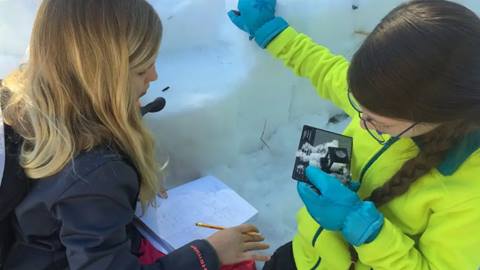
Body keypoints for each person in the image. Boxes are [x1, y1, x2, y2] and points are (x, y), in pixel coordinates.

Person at [0, 0, 270, 269]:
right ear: (100, 79)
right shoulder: (95, 174)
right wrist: (208, 253)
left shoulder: (24, 103)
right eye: (141, 69)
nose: (154, 75)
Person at [228, 0, 480, 269]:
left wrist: (365, 230)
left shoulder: (470, 195)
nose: (361, 123)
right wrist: (272, 32)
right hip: (303, 253)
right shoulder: (384, 97)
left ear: (436, 114)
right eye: (359, 109)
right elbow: (325, 69)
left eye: (376, 121)